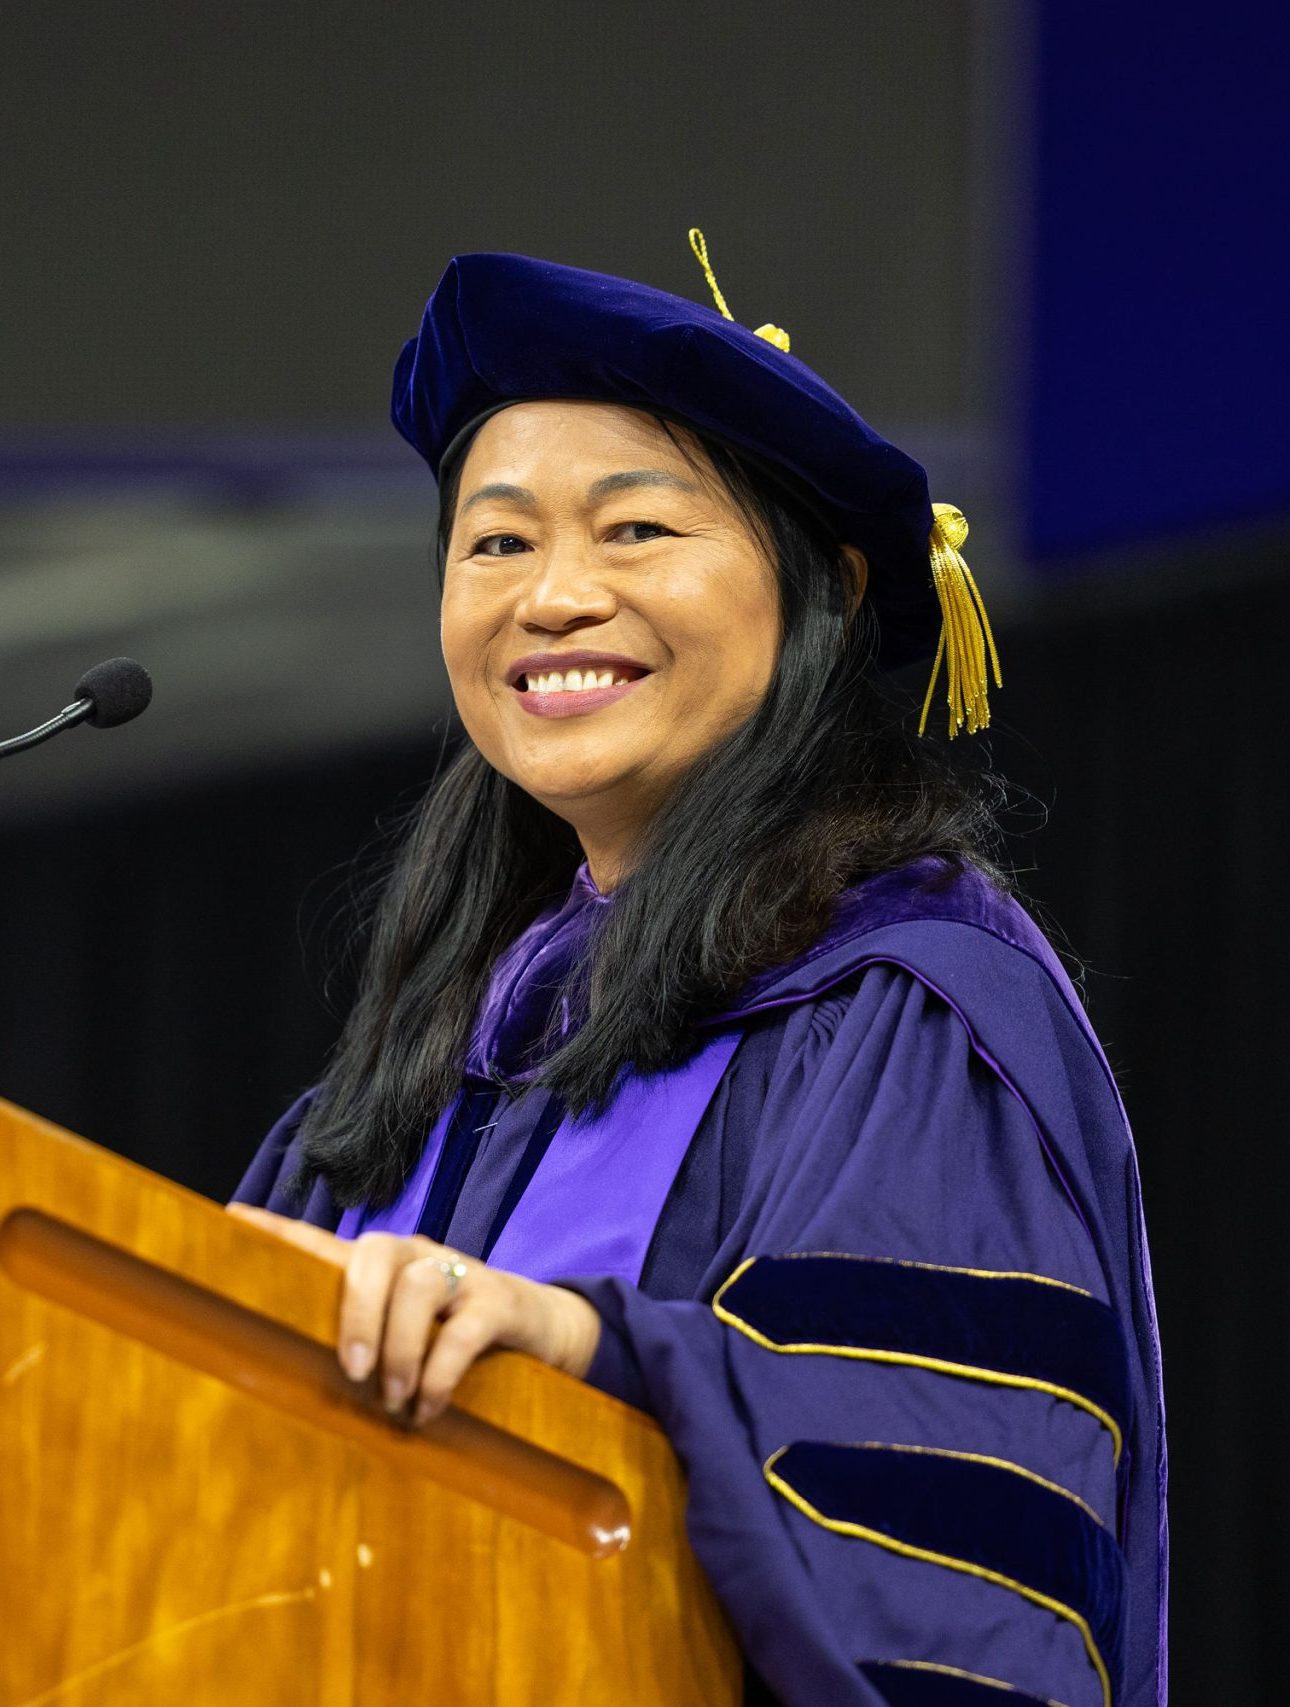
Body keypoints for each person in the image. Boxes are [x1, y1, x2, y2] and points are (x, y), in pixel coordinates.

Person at [230, 234, 1166, 1707]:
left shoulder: (903, 1010)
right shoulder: (424, 1071)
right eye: (496, 542)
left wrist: (589, 1349)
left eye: (636, 531)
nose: (551, 598)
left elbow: (926, 1505)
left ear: (825, 590)